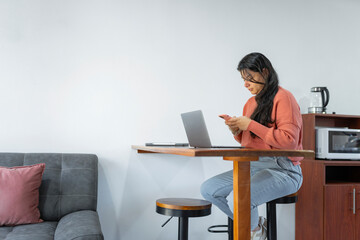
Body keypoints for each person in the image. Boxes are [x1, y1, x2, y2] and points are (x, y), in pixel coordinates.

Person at [201, 52, 303, 240]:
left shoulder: (284, 97)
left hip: (283, 169)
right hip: (252, 165)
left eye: (250, 78)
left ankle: (252, 232)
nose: (246, 84)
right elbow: (251, 142)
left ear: (264, 72)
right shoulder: (250, 103)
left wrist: (250, 124)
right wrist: (237, 131)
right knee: (208, 189)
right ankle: (256, 228)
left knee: (237, 200)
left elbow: (289, 140)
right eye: (243, 80)